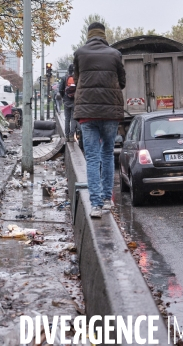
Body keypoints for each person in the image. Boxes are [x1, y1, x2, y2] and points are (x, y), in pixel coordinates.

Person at [73, 22, 126, 219]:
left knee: (93, 158)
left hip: (87, 113)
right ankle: (106, 200)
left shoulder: (80, 54)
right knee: (107, 154)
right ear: (104, 35)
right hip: (110, 113)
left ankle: (95, 205)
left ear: (88, 35)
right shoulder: (114, 54)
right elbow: (122, 82)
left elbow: (77, 80)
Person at [59, 64, 78, 142]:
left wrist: (63, 96)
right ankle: (71, 136)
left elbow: (60, 89)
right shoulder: (77, 78)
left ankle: (66, 136)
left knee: (67, 119)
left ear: (68, 70)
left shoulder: (64, 78)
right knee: (73, 118)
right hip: (75, 100)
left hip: (66, 100)